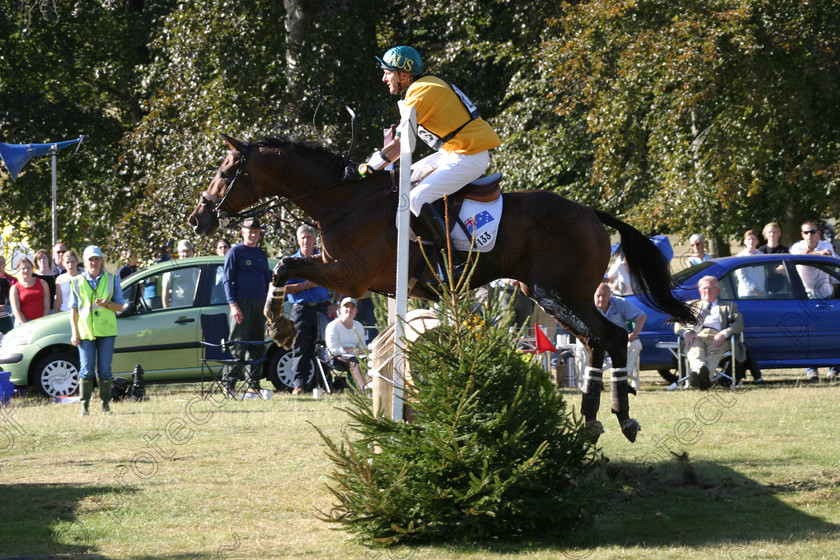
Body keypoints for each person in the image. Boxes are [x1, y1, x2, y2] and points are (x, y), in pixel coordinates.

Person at [365, 45, 501, 283]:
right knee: (405, 179)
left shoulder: (421, 92)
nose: (383, 77)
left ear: (404, 75)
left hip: (469, 155)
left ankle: (453, 261)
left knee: (416, 199)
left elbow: (399, 146)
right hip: (455, 151)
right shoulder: (423, 86)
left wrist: (366, 167)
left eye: (388, 72)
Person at [69, 245, 125, 415]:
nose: (94, 262)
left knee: (105, 369)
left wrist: (107, 304)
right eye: (90, 259)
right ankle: (84, 408)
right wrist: (74, 332)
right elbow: (73, 310)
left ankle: (105, 406)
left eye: (97, 259)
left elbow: (120, 307)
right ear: (85, 262)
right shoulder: (76, 281)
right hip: (85, 331)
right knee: (86, 370)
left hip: (106, 331)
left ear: (102, 260)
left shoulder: (112, 279)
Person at [222, 217, 271, 394]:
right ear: (242, 232)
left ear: (259, 234)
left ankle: (253, 386)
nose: (253, 235)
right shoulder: (235, 252)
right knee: (238, 345)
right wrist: (233, 305)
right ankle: (229, 384)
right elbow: (226, 280)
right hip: (241, 302)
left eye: (256, 232)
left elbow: (267, 281)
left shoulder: (260, 254)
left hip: (260, 303)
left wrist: (269, 305)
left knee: (257, 344)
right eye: (249, 231)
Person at [285, 224, 334, 395]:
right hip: (301, 310)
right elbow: (284, 289)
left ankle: (325, 384)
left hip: (323, 309)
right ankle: (299, 385)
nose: (306, 240)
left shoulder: (323, 260)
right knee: (301, 348)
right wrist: (305, 285)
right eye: (303, 237)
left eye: (309, 237)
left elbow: (340, 280)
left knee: (326, 348)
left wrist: (337, 303)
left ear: (315, 240)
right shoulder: (290, 262)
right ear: (298, 240)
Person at [789, 219, 840, 381]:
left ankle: (833, 368)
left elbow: (829, 256)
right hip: (805, 297)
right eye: (806, 232)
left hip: (826, 296)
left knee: (832, 333)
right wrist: (819, 254)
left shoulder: (827, 245)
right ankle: (812, 370)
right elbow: (800, 255)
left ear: (818, 233)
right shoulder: (797, 246)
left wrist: (820, 253)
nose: (809, 235)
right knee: (808, 335)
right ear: (802, 234)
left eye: (812, 231)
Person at [674, 276, 744, 390]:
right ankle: (701, 375)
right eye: (704, 288)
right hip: (695, 336)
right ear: (699, 290)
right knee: (695, 352)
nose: (707, 291)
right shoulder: (690, 305)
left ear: (718, 290)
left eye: (711, 288)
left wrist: (724, 334)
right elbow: (678, 323)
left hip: (717, 337)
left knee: (713, 355)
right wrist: (686, 333)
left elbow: (738, 324)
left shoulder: (729, 306)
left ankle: (698, 378)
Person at [573, 282, 646, 390]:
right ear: (593, 295)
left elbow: (641, 315)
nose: (601, 299)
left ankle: (623, 379)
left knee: (635, 344)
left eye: (604, 295)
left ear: (610, 295)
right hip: (594, 345)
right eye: (598, 296)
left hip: (616, 344)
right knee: (580, 345)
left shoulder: (620, 303)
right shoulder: (587, 306)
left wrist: (634, 334)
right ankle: (587, 382)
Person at [325, 297, 368, 391]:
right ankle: (364, 390)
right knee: (355, 362)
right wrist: (350, 349)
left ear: (356, 310)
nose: (349, 309)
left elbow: (362, 345)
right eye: (346, 306)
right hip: (337, 356)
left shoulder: (359, 326)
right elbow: (332, 350)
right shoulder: (333, 326)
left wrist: (366, 351)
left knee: (370, 360)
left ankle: (375, 388)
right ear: (340, 310)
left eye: (352, 307)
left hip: (355, 355)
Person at [9, 257, 50, 327]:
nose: (26, 270)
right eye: (23, 268)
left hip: (41, 322)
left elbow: (47, 305)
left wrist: (43, 321)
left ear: (32, 268)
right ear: (18, 270)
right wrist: (27, 325)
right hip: (23, 323)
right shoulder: (15, 288)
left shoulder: (42, 283)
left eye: (28, 267)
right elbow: (16, 310)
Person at [162, 239, 198, 308]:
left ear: (192, 252)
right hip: (178, 308)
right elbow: (165, 290)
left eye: (187, 251)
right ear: (178, 252)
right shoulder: (172, 268)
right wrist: (166, 309)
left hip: (195, 307)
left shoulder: (197, 267)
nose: (185, 254)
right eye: (183, 252)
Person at [734, 229, 765, 298]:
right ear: (744, 241)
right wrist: (755, 290)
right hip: (747, 294)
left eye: (753, 239)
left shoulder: (762, 255)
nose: (751, 241)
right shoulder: (740, 257)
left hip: (762, 292)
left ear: (757, 241)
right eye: (749, 239)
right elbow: (742, 277)